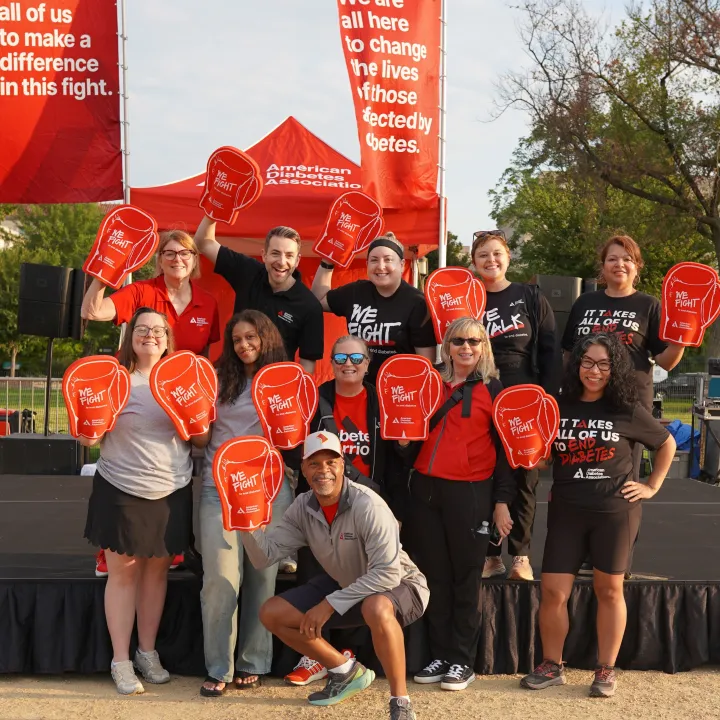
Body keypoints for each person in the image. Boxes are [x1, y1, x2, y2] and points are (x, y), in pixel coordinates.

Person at [520, 333, 676, 698]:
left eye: (604, 364)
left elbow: (666, 443)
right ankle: (552, 665)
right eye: (587, 362)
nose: (594, 370)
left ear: (615, 368)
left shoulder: (625, 407)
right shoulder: (558, 406)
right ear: (576, 365)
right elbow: (544, 458)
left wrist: (651, 486)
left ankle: (605, 669)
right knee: (553, 591)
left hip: (613, 512)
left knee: (609, 589)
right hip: (567, 511)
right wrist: (527, 452)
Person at [239, 431, 428, 720]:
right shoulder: (303, 505)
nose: (323, 470)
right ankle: (345, 671)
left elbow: (388, 574)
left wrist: (329, 604)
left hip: (402, 585)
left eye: (331, 462)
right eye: (314, 464)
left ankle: (400, 701)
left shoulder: (369, 504)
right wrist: (245, 518)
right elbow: (264, 556)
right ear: (303, 469)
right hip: (348, 583)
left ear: (343, 465)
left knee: (375, 607)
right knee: (272, 613)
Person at [81, 308, 207, 695]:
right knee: (123, 574)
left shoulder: (186, 381)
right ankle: (121, 661)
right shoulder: (113, 381)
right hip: (120, 487)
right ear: (129, 337)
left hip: (171, 489)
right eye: (141, 329)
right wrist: (87, 431)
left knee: (156, 574)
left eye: (158, 330)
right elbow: (90, 437)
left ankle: (146, 653)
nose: (150, 335)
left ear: (169, 339)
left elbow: (200, 441)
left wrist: (191, 417)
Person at [82, 230, 220, 577]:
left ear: (195, 260)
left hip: (179, 398)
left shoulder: (208, 301)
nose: (177, 259)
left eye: (185, 253)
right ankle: (110, 548)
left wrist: (199, 398)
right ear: (159, 259)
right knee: (124, 464)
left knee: (174, 466)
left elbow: (202, 358)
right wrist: (105, 271)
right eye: (169, 253)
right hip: (135, 387)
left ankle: (170, 545)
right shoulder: (143, 291)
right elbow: (93, 309)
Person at [401, 317, 515, 692]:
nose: (466, 348)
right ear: (447, 345)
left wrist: (501, 502)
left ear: (484, 347)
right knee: (433, 576)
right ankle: (439, 653)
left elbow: (506, 455)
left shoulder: (495, 390)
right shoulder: (427, 383)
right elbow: (406, 431)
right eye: (458, 341)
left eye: (474, 341)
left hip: (470, 492)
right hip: (425, 492)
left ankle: (462, 659)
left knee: (466, 578)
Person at [562, 234, 684, 575]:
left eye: (627, 259)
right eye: (613, 258)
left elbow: (667, 360)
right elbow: (569, 353)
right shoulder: (584, 304)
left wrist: (686, 338)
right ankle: (585, 553)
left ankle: (617, 559)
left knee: (624, 483)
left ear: (637, 267)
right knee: (585, 472)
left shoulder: (649, 305)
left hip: (628, 403)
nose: (620, 264)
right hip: (586, 398)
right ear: (602, 267)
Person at [284, 334, 400, 687]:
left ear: (367, 363)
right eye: (340, 357)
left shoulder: (381, 402)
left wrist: (393, 507)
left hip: (366, 506)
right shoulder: (315, 400)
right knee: (313, 575)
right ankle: (315, 653)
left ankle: (350, 653)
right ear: (330, 363)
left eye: (356, 357)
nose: (348, 363)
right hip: (320, 504)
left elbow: (397, 460)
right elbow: (295, 453)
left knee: (358, 578)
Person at [199, 309, 295, 697]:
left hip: (266, 488)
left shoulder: (284, 379)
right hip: (218, 489)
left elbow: (291, 438)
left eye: (252, 337)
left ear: (267, 338)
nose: (244, 345)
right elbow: (201, 440)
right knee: (221, 581)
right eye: (237, 339)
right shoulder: (216, 378)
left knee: (262, 579)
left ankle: (254, 662)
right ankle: (218, 666)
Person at [471, 229, 558, 582]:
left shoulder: (530, 296)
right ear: (473, 263)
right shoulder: (468, 298)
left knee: (525, 476)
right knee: (485, 475)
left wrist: (548, 405)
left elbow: (551, 351)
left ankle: (520, 554)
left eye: (497, 254)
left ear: (508, 257)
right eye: (482, 256)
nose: (491, 261)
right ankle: (491, 555)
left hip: (525, 395)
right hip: (482, 392)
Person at [193, 214, 324, 375]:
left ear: (297, 260)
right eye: (275, 253)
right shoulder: (248, 271)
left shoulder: (309, 306)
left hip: (274, 385)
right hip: (231, 377)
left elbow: (307, 366)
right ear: (264, 255)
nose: (282, 262)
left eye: (289, 255)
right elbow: (203, 243)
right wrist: (214, 210)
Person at [311, 232, 437, 383]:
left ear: (402, 265)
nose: (380, 266)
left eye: (388, 260)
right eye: (374, 260)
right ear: (367, 265)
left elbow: (425, 364)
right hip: (359, 390)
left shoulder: (417, 303)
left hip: (397, 391)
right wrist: (328, 260)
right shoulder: (356, 292)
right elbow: (317, 301)